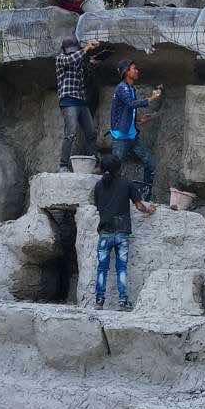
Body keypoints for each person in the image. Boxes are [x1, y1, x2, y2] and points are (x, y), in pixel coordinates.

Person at [91, 154, 156, 311]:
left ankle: (99, 301)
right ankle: (123, 301)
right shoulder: (126, 184)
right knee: (121, 268)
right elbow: (140, 206)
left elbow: (98, 207)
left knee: (102, 268)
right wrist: (150, 210)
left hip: (105, 232)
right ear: (119, 168)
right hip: (122, 232)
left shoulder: (98, 186)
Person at [110, 59, 161, 197]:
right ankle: (109, 196)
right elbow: (131, 104)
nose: (137, 70)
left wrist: (139, 119)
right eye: (134, 68)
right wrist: (151, 98)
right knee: (114, 169)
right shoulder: (122, 88)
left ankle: (146, 194)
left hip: (132, 136)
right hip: (120, 137)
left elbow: (126, 109)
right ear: (127, 72)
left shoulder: (131, 88)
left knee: (150, 163)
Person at [56, 36, 100, 172]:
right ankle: (63, 165)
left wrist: (92, 63)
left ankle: (94, 163)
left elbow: (85, 75)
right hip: (68, 100)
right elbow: (71, 59)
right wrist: (86, 48)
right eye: (69, 51)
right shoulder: (60, 58)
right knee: (71, 133)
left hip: (81, 101)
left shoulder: (79, 60)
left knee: (91, 132)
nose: (71, 53)